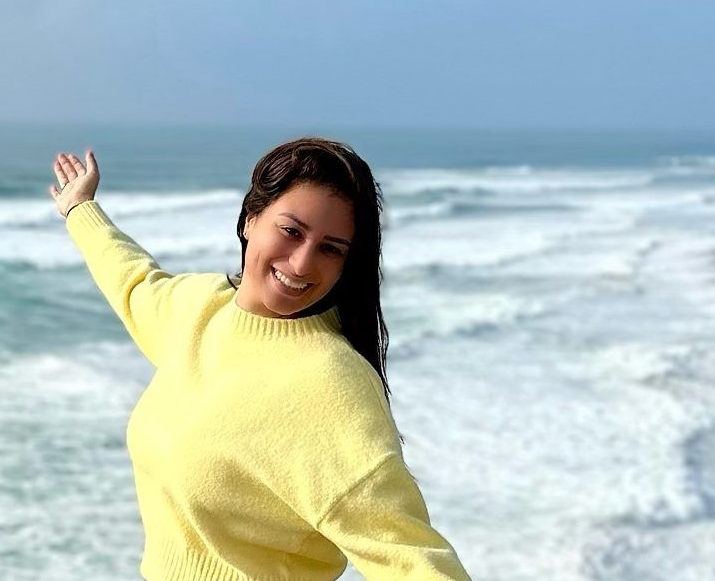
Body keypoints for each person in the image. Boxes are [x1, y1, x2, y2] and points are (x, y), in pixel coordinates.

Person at [48, 137, 471, 580]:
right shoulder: (200, 309)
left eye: (331, 248)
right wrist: (81, 209)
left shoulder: (328, 381)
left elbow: (410, 556)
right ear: (252, 218)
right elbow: (132, 281)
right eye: (292, 231)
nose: (303, 263)